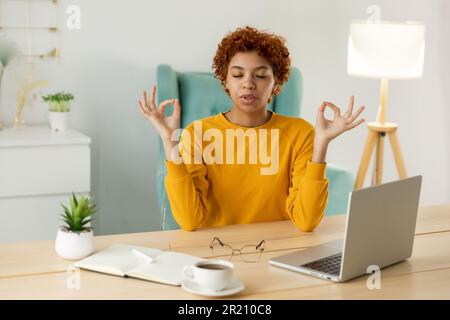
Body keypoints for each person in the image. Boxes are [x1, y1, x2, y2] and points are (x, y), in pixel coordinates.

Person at [137, 26, 365, 232]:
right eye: (237, 75)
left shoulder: (301, 133)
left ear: (276, 83)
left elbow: (306, 221)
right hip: (219, 255)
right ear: (225, 81)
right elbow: (189, 220)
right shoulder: (198, 134)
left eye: (261, 75)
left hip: (280, 253)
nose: (248, 83)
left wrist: (321, 145)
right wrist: (169, 140)